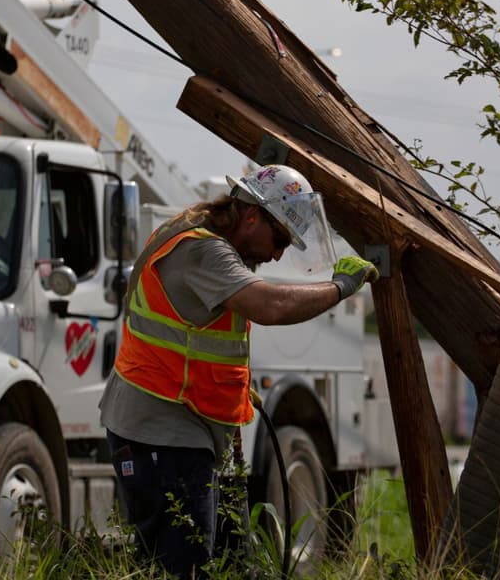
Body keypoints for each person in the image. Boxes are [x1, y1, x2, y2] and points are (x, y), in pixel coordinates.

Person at [100, 164, 378, 578]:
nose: (280, 254)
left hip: (169, 424)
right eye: (281, 238)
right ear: (252, 217)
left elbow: (200, 337)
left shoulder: (198, 232)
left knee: (189, 563)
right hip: (161, 428)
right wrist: (339, 287)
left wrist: (233, 402)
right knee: (183, 567)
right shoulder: (203, 249)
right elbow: (271, 306)